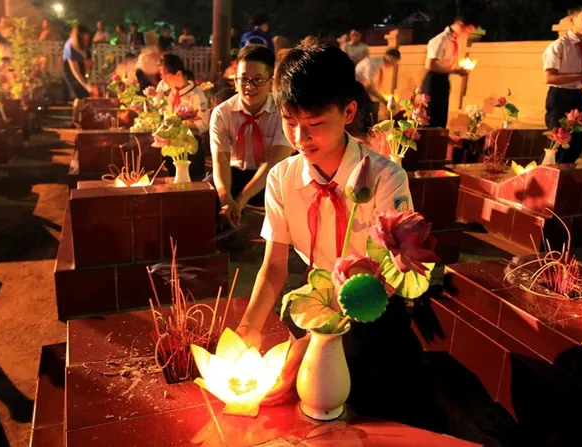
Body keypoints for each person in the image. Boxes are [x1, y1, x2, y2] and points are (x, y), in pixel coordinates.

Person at [235, 43, 412, 409]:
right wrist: (248, 328)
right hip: (315, 301)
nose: (300, 139)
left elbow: (393, 274)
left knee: (363, 406)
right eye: (290, 123)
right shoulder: (282, 179)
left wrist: (318, 342)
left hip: (373, 307)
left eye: (314, 124)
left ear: (348, 111)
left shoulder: (385, 178)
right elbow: (275, 267)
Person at [207, 44, 292, 229]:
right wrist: (226, 199)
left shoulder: (283, 113)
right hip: (235, 172)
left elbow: (275, 161)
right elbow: (221, 160)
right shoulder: (222, 113)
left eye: (258, 80)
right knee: (207, 193)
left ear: (271, 81)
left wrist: (241, 199)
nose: (249, 86)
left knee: (292, 187)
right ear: (235, 80)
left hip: (271, 176)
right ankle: (222, 233)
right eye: (244, 79)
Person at [543, 4, 582, 164]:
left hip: (578, 97)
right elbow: (549, 78)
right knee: (556, 145)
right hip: (559, 97)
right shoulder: (559, 46)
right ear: (572, 19)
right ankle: (544, 176)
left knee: (575, 146)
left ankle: (565, 177)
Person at [157, 54, 209, 179]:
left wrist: (181, 124)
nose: (163, 80)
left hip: (190, 148)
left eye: (165, 75)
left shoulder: (197, 95)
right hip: (171, 148)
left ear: (178, 74)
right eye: (161, 75)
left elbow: (203, 125)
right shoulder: (171, 93)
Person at [422, 13, 478, 128]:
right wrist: (455, 71)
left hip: (443, 80)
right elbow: (430, 65)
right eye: (468, 29)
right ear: (460, 24)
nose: (468, 33)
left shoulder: (455, 42)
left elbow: (447, 64)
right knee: (430, 118)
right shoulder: (440, 39)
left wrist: (459, 69)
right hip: (434, 80)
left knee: (441, 118)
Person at [355, 48, 401, 130]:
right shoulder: (372, 64)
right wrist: (384, 100)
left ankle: (371, 128)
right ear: (388, 57)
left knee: (375, 105)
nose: (393, 65)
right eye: (393, 61)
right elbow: (368, 86)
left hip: (362, 90)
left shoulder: (379, 66)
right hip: (355, 90)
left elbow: (374, 85)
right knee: (372, 107)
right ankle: (365, 130)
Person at [63, 25, 94, 99]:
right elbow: (76, 72)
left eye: (88, 39)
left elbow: (87, 71)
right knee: (78, 95)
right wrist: (87, 86)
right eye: (85, 39)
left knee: (86, 95)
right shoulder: (70, 46)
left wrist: (89, 68)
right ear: (79, 38)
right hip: (71, 72)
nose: (86, 41)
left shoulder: (86, 49)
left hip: (81, 70)